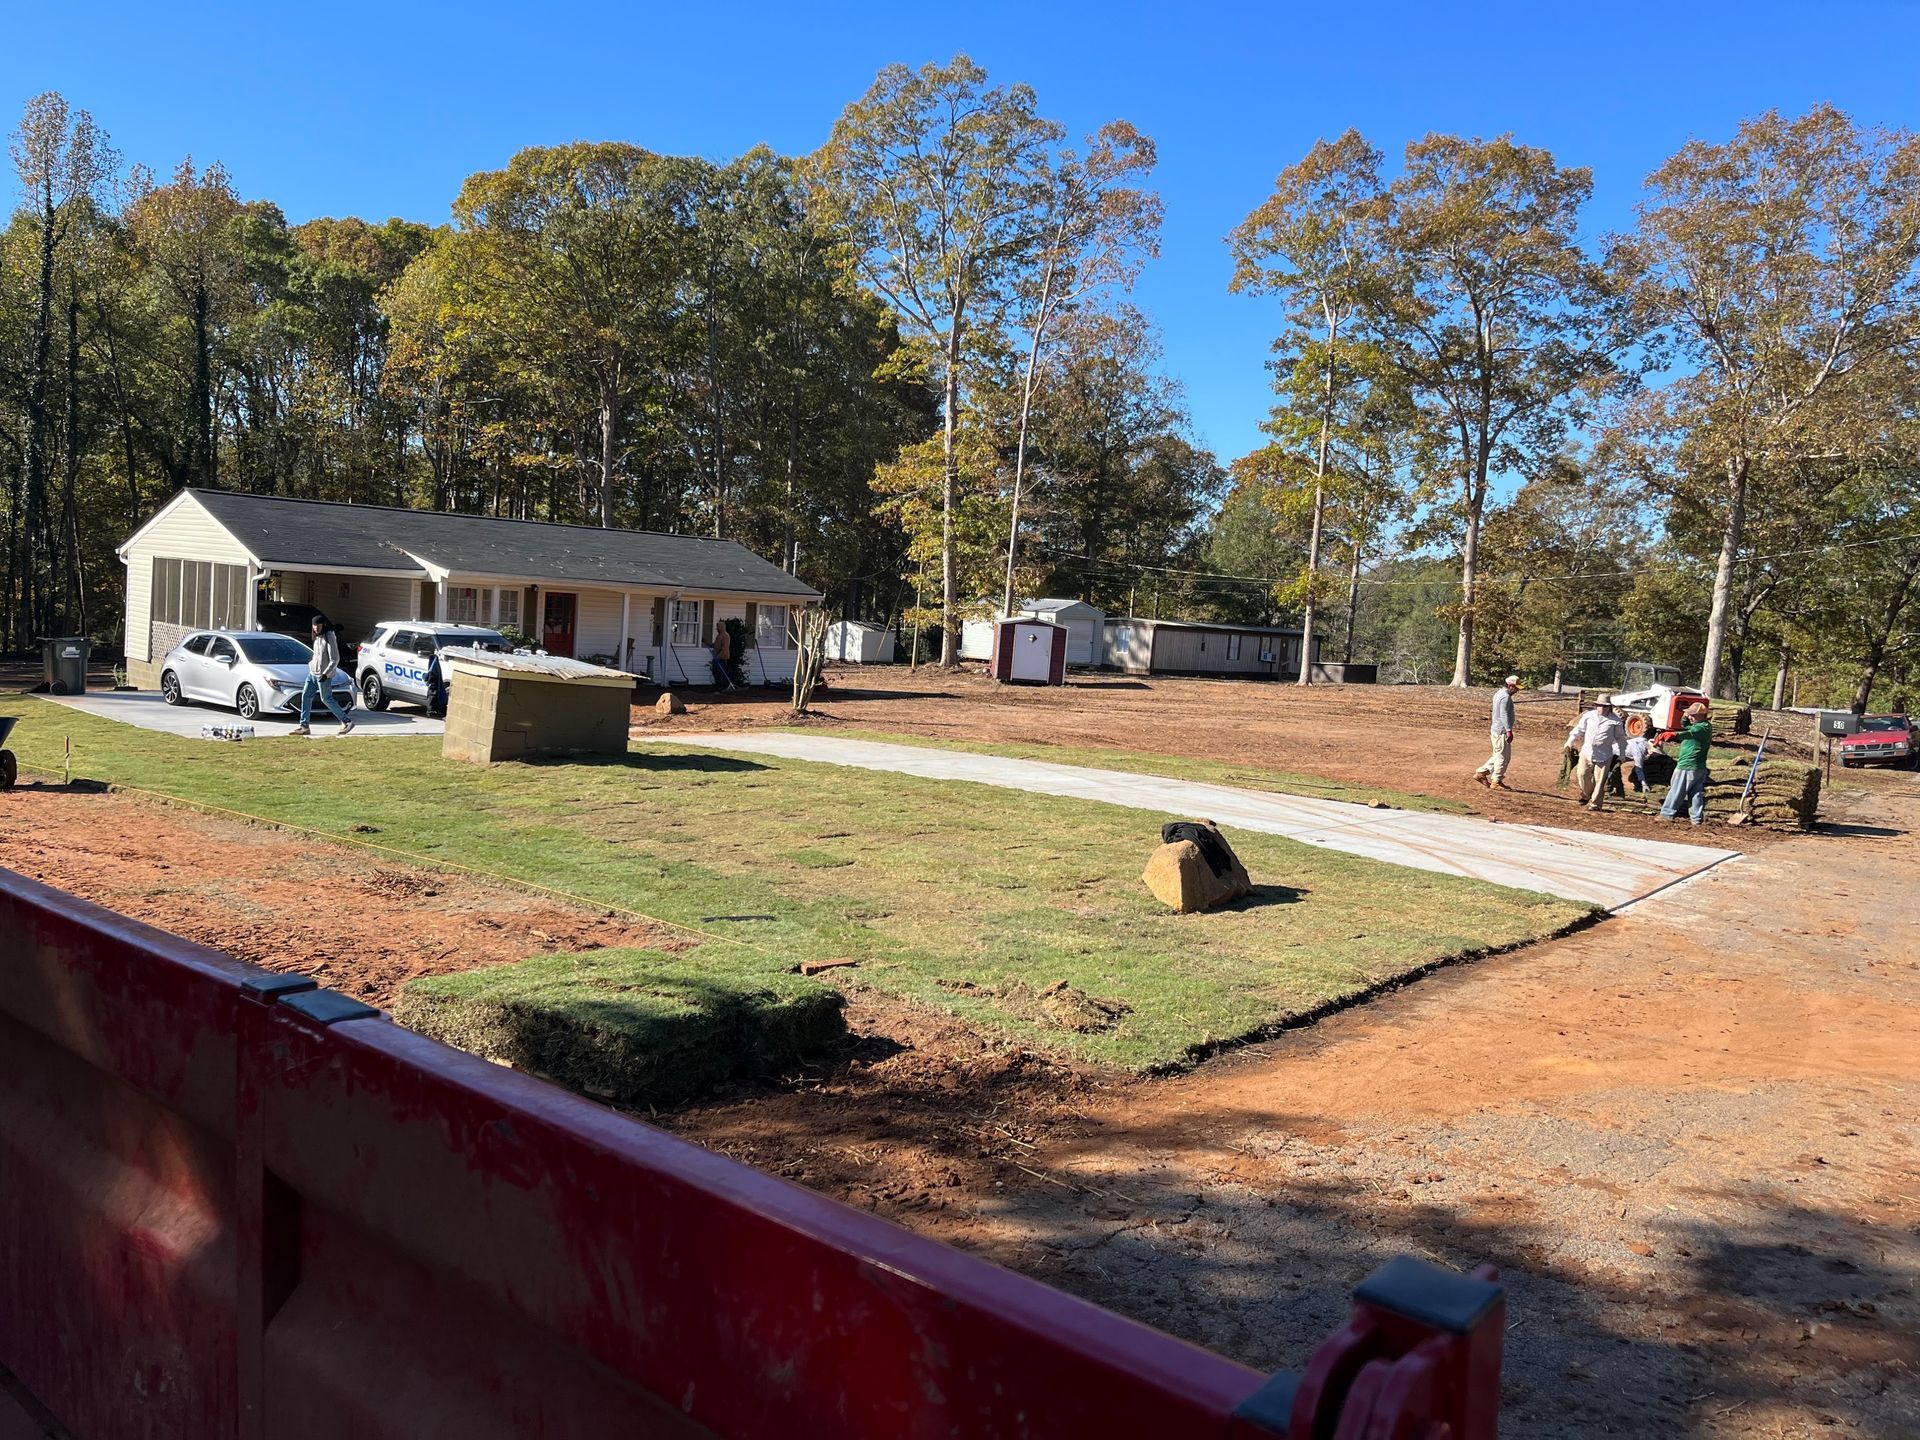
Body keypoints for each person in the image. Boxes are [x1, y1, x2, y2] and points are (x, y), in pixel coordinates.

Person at [291, 616, 354, 737]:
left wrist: (326, 674)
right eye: (314, 626)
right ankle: (304, 726)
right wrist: (311, 666)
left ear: (323, 626)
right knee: (306, 696)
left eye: (318, 626)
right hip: (313, 673)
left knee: (326, 699)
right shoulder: (317, 637)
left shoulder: (329, 636)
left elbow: (335, 658)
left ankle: (347, 722)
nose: (316, 628)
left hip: (323, 675)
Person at [1656, 701, 1713, 826]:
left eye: (1693, 714)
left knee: (1677, 790)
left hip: (1688, 765)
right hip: (1698, 767)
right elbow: (1685, 724)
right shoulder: (1703, 725)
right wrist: (1685, 714)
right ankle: (1697, 819)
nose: (1690, 717)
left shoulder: (1701, 728)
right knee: (1695, 793)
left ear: (1701, 715)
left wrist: (1672, 734)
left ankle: (1666, 814)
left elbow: (1688, 732)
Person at [1564, 701, 1627, 812]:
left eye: (1605, 706)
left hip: (1605, 754)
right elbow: (1578, 730)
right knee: (1582, 774)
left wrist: (1622, 754)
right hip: (1587, 751)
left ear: (1609, 707)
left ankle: (1595, 803)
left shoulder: (1615, 721)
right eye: (1599, 705)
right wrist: (1569, 742)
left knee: (1600, 780)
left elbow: (1621, 739)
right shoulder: (1588, 716)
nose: (1601, 708)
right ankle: (1586, 794)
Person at [1473, 675, 1522, 790]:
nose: (1517, 690)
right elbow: (1503, 714)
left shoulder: (1499, 693)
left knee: (1499, 754)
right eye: (1516, 688)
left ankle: (1481, 773)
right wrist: (1509, 730)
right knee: (1503, 757)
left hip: (1497, 729)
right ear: (1510, 686)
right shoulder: (1505, 697)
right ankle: (1496, 781)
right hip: (1501, 730)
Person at [709, 619, 735, 691]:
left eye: (718, 627)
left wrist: (718, 656)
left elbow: (724, 648)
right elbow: (716, 645)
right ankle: (718, 685)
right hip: (717, 657)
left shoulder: (725, 636)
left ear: (721, 627)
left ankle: (724, 686)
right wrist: (709, 644)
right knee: (716, 671)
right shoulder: (719, 636)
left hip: (722, 658)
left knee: (721, 672)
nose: (717, 629)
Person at [1625, 727, 1651, 796]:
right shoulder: (1639, 750)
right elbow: (1639, 767)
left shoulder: (1644, 741)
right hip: (1614, 754)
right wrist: (1644, 784)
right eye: (1654, 752)